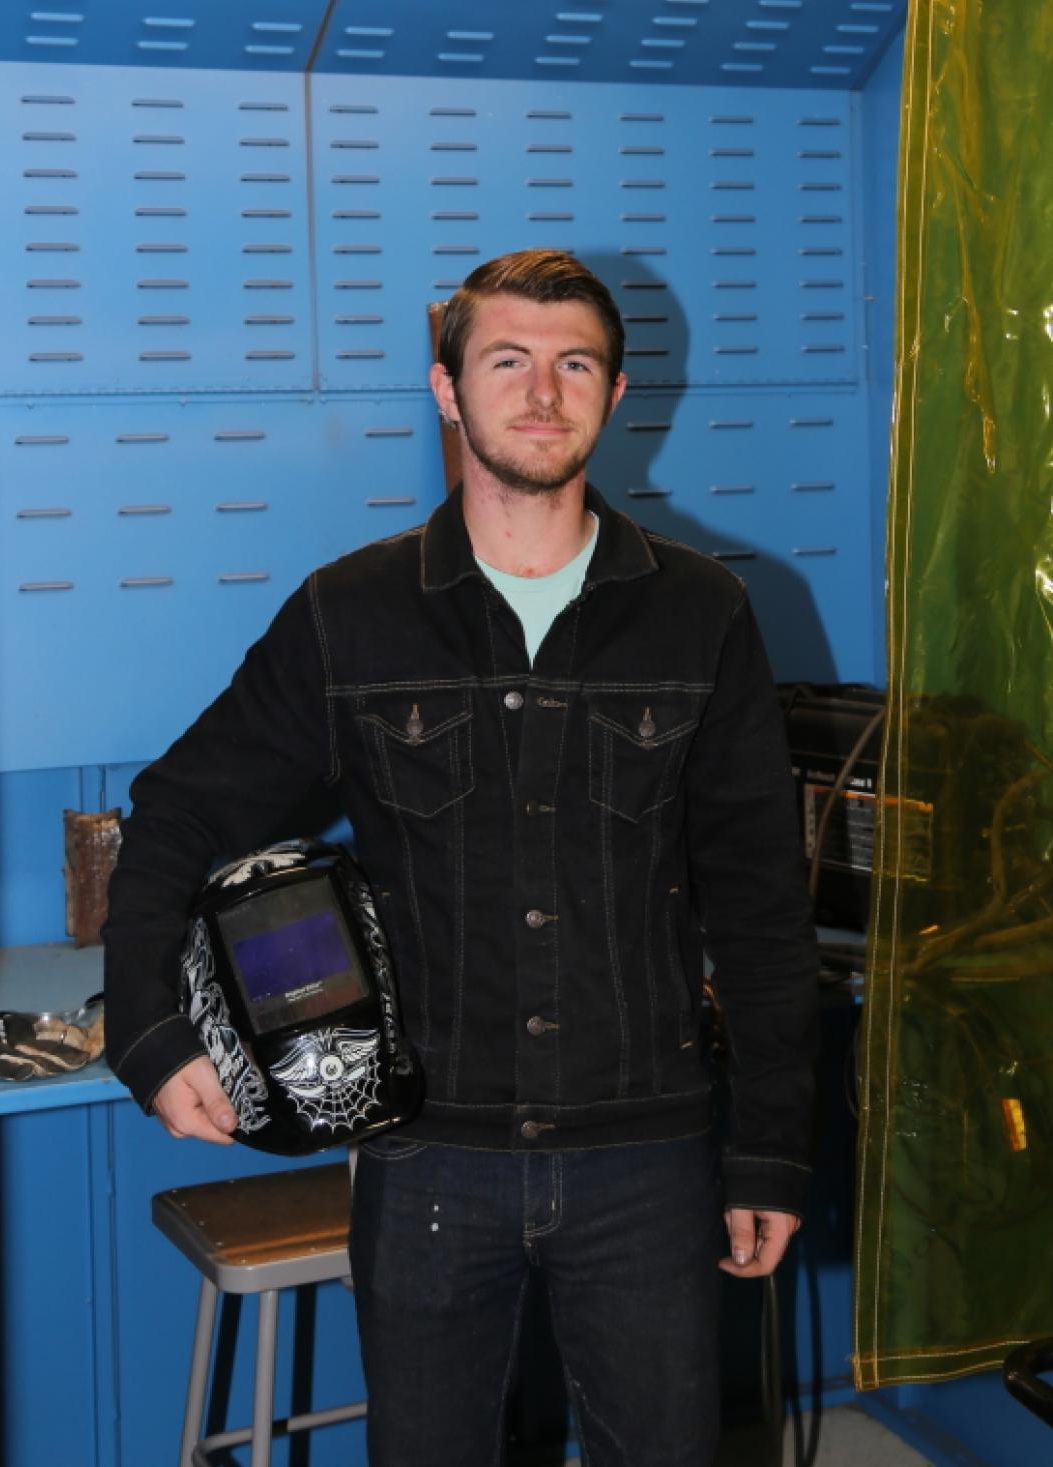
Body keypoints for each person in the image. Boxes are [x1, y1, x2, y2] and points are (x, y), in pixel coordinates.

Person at [104, 248, 818, 1467]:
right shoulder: (351, 613)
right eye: (506, 361)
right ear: (446, 391)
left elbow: (758, 904)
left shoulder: (702, 613)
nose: (540, 392)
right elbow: (176, 811)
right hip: (428, 1156)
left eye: (571, 363)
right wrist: (145, 1031)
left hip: (643, 1159)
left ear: (613, 392)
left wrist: (771, 1145)